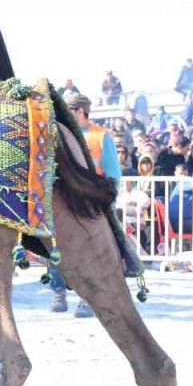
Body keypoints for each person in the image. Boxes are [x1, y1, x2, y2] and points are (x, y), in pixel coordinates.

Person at [50, 94, 121, 316]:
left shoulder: (100, 136)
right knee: (54, 248)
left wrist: (106, 204)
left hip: (90, 205)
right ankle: (58, 291)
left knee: (90, 253)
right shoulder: (57, 134)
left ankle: (86, 298)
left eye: (68, 110)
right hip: (62, 203)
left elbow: (112, 173)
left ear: (80, 112)